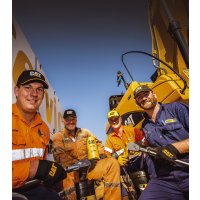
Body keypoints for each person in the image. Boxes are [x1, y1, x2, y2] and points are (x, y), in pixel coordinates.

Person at [12, 70, 66, 200]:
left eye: (39, 89)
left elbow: (43, 162)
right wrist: (34, 168)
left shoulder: (44, 128)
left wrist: (50, 174)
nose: (34, 94)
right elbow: (38, 167)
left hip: (33, 187)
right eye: (27, 87)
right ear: (16, 91)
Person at [133, 85, 189, 200]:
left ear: (154, 95)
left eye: (146, 94)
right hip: (166, 178)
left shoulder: (176, 109)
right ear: (137, 103)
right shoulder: (145, 126)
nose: (143, 98)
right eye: (139, 97)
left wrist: (173, 148)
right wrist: (143, 145)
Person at [52, 109, 121, 200]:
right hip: (72, 172)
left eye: (73, 119)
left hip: (90, 169)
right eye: (68, 119)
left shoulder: (85, 132)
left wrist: (98, 156)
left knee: (112, 163)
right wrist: (79, 164)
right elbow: (59, 156)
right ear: (63, 121)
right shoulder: (58, 136)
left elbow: (99, 144)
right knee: (66, 176)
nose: (71, 122)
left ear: (76, 120)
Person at [104, 110, 151, 199]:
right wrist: (117, 161)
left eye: (116, 118)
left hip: (141, 168)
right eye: (111, 120)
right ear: (109, 122)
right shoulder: (109, 139)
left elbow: (146, 142)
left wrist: (137, 146)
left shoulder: (132, 130)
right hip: (126, 171)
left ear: (120, 119)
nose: (114, 121)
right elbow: (107, 156)